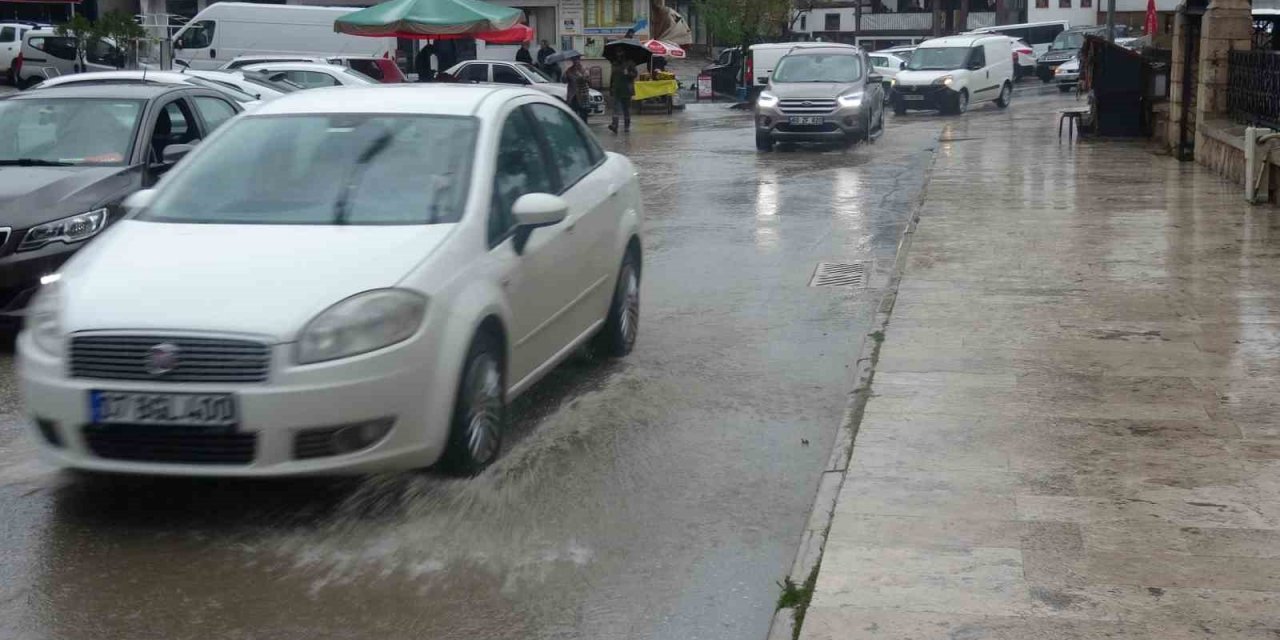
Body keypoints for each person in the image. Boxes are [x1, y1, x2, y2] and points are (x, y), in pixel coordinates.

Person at [607, 50, 637, 133]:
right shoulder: (614, 64)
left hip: (627, 89)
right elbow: (612, 77)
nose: (618, 54)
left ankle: (626, 127)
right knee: (615, 109)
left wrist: (628, 73)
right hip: (617, 89)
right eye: (617, 52)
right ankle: (614, 125)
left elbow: (635, 74)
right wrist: (611, 88)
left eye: (620, 52)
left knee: (626, 109)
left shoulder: (630, 63)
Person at [564, 55, 591, 121]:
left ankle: (584, 128)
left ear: (579, 60)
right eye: (574, 60)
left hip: (582, 95)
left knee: (583, 114)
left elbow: (588, 80)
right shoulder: (569, 70)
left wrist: (580, 75)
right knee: (573, 114)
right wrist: (565, 76)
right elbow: (564, 81)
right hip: (573, 95)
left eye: (577, 60)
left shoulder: (584, 69)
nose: (576, 61)